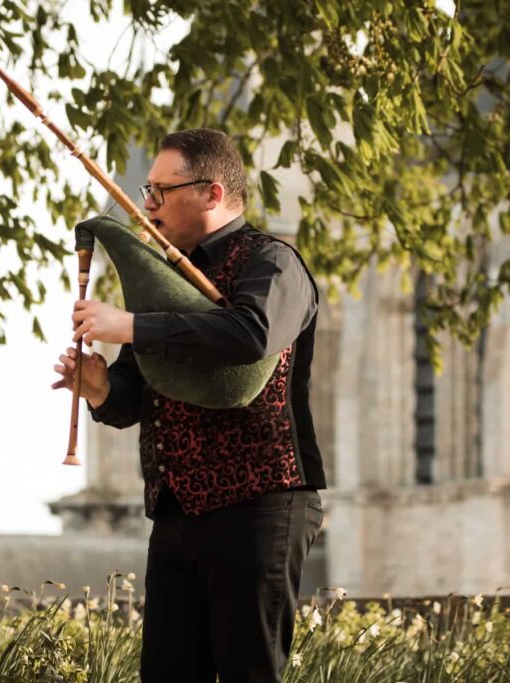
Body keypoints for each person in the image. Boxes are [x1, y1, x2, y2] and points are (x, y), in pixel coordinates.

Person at [53, 128, 326, 683]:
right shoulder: (161, 280)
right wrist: (101, 388)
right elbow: (136, 394)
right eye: (145, 190)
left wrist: (131, 325)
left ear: (212, 194)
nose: (146, 204)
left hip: (261, 505)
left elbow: (250, 334)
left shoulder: (273, 263)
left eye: (159, 190)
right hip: (178, 510)